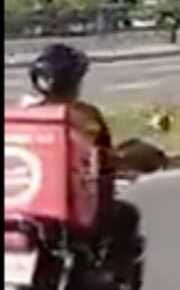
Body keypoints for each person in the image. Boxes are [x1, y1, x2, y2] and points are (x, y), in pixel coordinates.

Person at [22, 44, 141, 260]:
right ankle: (114, 284)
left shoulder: (25, 115)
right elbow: (104, 156)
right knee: (127, 216)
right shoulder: (84, 116)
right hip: (72, 208)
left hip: (26, 205)